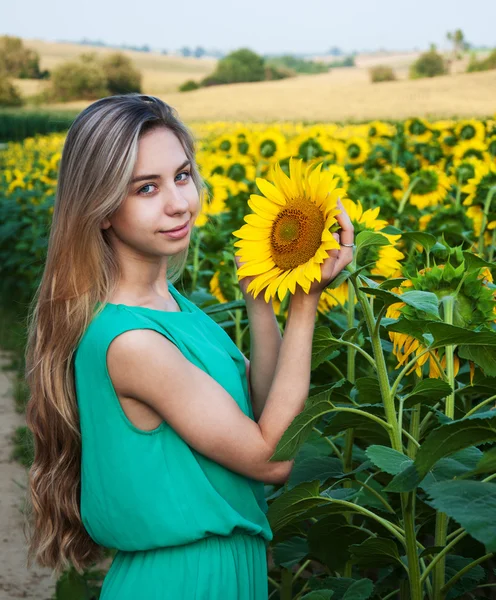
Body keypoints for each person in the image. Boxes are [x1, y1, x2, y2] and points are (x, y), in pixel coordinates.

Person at [23, 93, 354, 599]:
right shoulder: (132, 342)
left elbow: (260, 414)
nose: (179, 202)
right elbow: (272, 458)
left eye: (181, 175)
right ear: (103, 208)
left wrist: (261, 301)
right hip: (182, 581)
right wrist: (305, 304)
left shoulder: (172, 307)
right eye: (146, 188)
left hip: (218, 574)